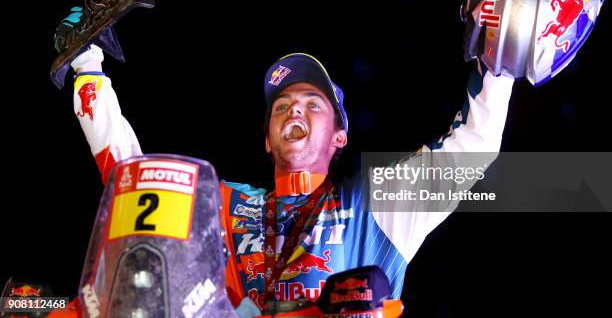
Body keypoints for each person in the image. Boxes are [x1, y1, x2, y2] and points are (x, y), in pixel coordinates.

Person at [68, 43, 512, 314]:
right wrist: (88, 71)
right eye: (281, 107)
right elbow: (137, 181)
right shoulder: (228, 205)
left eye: (312, 104)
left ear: (339, 137)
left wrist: (499, 56)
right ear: (266, 140)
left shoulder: (373, 205)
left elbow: (473, 146)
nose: (294, 109)